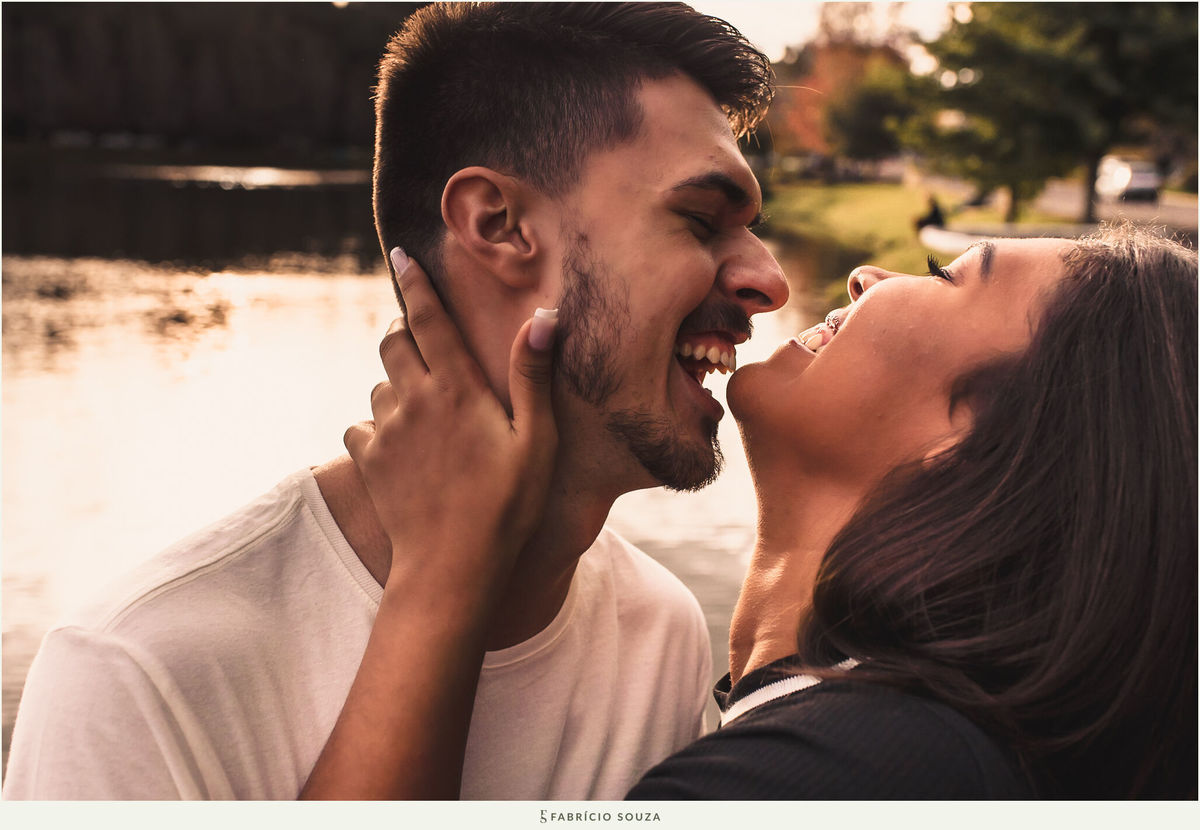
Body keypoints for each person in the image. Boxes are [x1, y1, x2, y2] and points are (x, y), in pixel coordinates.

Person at [3, 3, 789, 800]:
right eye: (699, 220)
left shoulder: (662, 636)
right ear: (498, 224)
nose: (770, 280)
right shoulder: (139, 675)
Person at [323, 224, 1196, 799]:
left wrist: (437, 573)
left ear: (980, 440)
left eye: (943, 276)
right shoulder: (911, 747)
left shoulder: (834, 780)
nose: (866, 274)